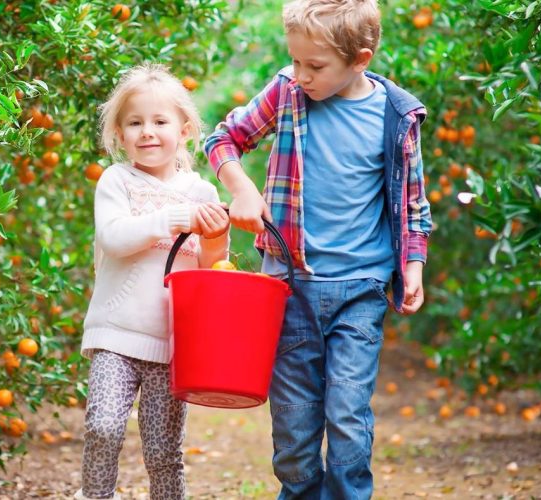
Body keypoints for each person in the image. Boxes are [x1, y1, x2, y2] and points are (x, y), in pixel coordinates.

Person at [203, 0, 433, 497]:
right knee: (294, 430)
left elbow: (413, 202)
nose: (301, 73)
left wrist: (412, 263)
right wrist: (242, 190)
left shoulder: (397, 117)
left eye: (315, 65)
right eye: (296, 60)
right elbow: (222, 139)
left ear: (360, 60)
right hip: (289, 289)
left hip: (361, 289)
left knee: (348, 416)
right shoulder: (287, 91)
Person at [77, 63, 230, 500]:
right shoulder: (116, 181)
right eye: (135, 123)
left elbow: (209, 267)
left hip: (172, 343)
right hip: (115, 336)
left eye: (160, 121)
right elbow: (114, 237)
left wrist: (216, 234)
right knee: (103, 427)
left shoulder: (202, 192)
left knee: (164, 451)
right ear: (120, 134)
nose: (148, 131)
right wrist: (170, 218)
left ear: (183, 130)